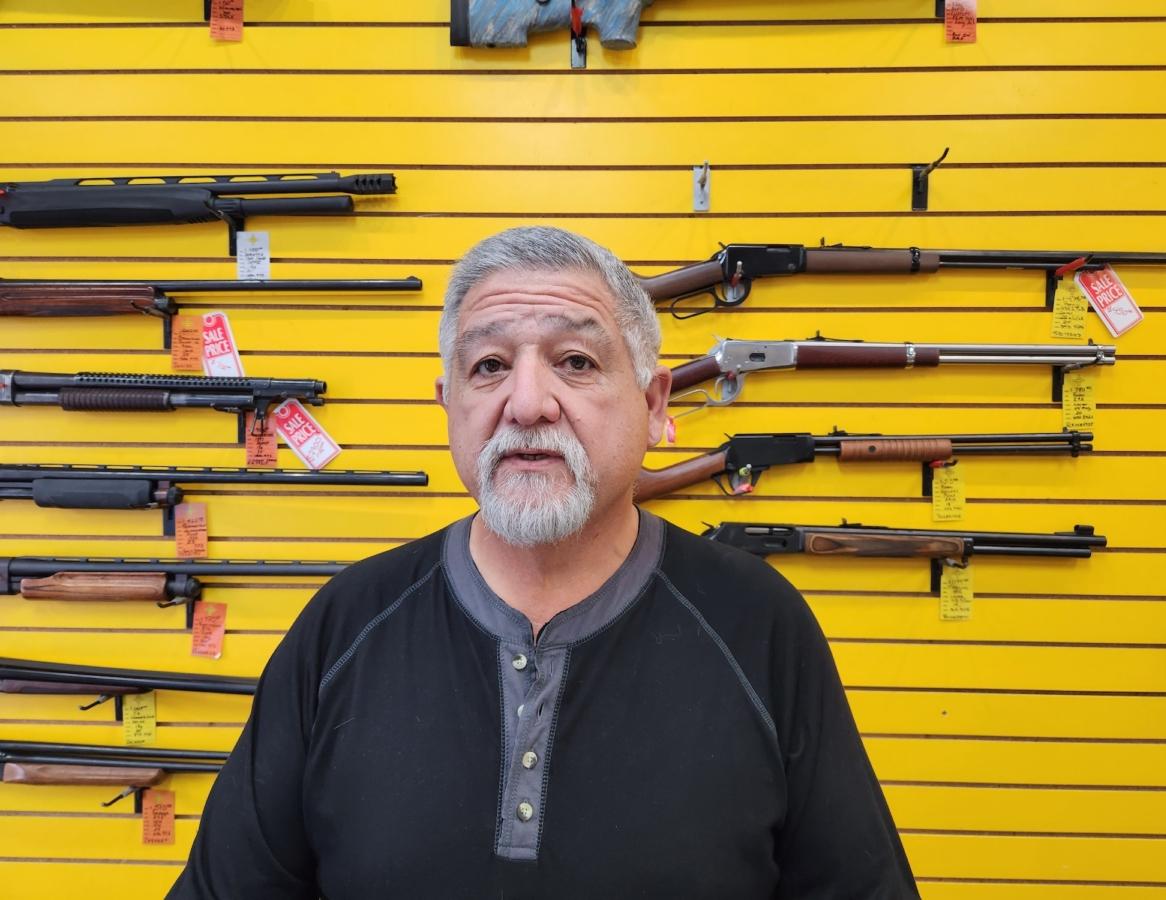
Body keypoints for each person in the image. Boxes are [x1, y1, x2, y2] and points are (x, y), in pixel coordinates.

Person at [168, 226, 918, 899]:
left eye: (576, 360)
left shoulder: (759, 626)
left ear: (656, 405)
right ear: (449, 405)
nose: (528, 402)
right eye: (489, 365)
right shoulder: (344, 626)